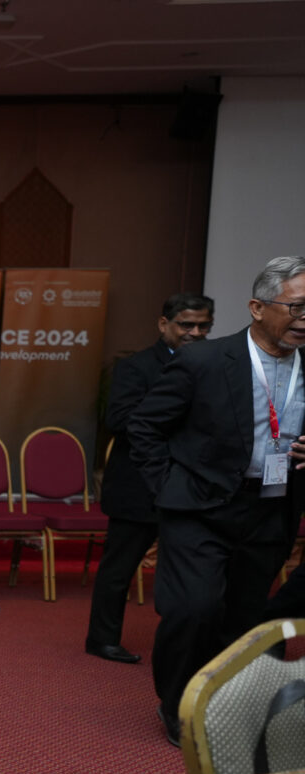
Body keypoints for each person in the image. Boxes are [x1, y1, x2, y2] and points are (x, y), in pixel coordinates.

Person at [127, 256, 305, 745]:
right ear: (257, 307)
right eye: (296, 307)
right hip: (198, 509)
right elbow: (144, 427)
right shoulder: (204, 360)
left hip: (271, 509)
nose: (304, 319)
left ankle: (230, 704)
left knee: (245, 618)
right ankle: (178, 704)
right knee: (193, 609)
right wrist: (168, 487)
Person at [85, 294, 214, 664]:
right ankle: (102, 640)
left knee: (188, 573)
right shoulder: (136, 366)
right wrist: (177, 421)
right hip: (137, 485)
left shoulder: (213, 364)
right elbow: (119, 420)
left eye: (203, 326)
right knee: (119, 570)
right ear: (163, 324)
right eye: (186, 324)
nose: (195, 332)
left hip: (191, 485)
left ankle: (186, 645)